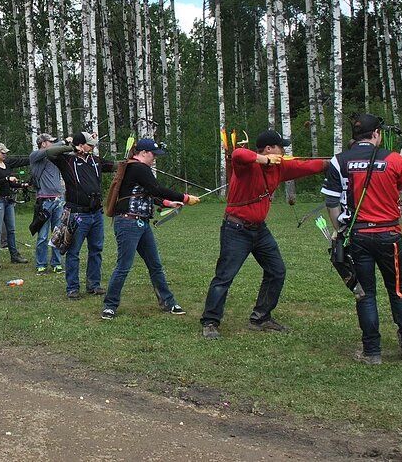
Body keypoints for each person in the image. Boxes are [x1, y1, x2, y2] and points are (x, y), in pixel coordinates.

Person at [200, 130, 327, 339]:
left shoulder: (280, 168)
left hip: (259, 230)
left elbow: (308, 166)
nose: (284, 151)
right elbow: (238, 154)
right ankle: (210, 321)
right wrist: (264, 160)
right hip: (236, 229)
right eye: (280, 147)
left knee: (277, 271)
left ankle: (261, 317)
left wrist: (338, 162)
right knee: (224, 277)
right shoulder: (246, 166)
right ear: (269, 149)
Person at [322, 113, 402, 364]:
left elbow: (332, 203)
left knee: (365, 293)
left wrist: (339, 231)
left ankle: (372, 352)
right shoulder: (395, 159)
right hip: (389, 235)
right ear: (376, 134)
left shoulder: (339, 161)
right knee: (397, 289)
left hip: (359, 236)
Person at [101, 139, 200, 320]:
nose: (154, 158)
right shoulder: (139, 168)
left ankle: (168, 302)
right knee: (123, 266)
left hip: (141, 223)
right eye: (153, 155)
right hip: (128, 222)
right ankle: (110, 305)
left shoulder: (135, 169)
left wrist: (168, 203)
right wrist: (184, 197)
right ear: (144, 153)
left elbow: (146, 193)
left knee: (155, 265)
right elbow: (157, 189)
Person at [42, 132, 115, 300]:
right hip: (77, 214)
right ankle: (72, 288)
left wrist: (131, 162)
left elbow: (115, 166)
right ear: (80, 145)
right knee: (73, 252)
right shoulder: (67, 160)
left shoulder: (95, 161)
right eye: (89, 144)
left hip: (96, 214)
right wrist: (70, 147)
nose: (93, 147)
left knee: (96, 249)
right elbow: (49, 152)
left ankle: (93, 285)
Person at [29, 133, 67, 274]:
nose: (52, 144)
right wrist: (64, 141)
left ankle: (56, 263)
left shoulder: (54, 157)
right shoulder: (35, 156)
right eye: (50, 142)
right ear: (43, 143)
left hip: (58, 200)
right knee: (43, 235)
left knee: (57, 234)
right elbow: (50, 150)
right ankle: (41, 264)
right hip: (45, 201)